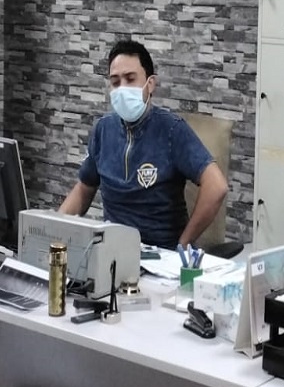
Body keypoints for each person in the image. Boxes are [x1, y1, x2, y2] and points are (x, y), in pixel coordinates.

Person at [60, 40, 229, 248]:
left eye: (130, 79)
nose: (122, 88)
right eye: (115, 82)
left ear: (150, 84)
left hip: (161, 253)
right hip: (113, 250)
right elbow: (83, 190)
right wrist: (53, 228)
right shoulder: (103, 130)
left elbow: (216, 186)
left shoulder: (171, 129)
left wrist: (184, 243)